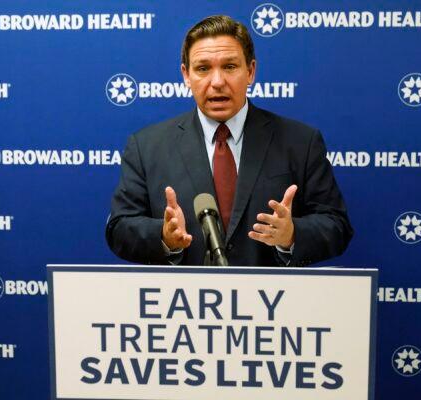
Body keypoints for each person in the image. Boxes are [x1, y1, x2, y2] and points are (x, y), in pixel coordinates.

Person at [106, 15, 353, 267]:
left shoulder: (301, 141)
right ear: (186, 75)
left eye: (230, 66)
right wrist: (164, 237)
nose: (217, 82)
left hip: (272, 302)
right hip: (184, 302)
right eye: (203, 68)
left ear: (251, 71)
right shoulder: (146, 146)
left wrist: (291, 235)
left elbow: (337, 226)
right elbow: (119, 228)